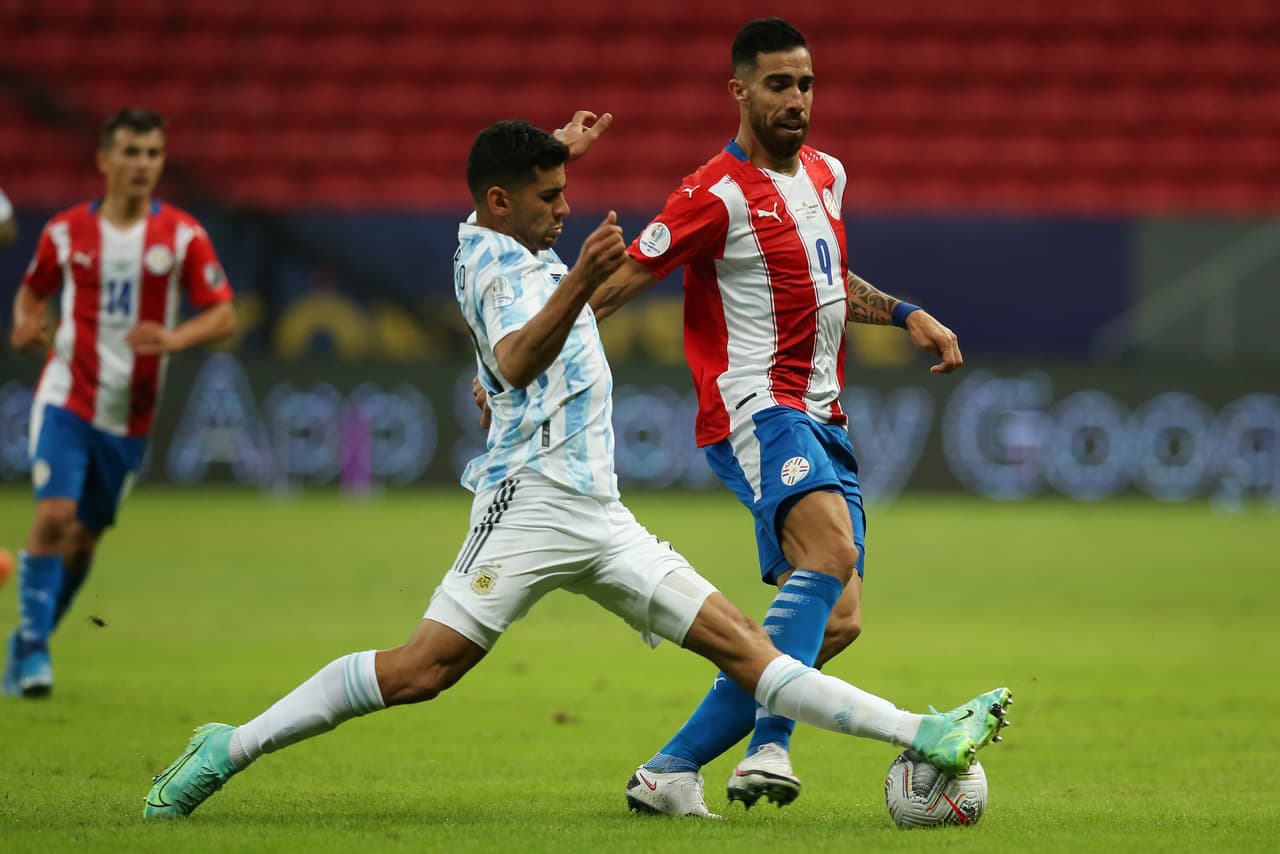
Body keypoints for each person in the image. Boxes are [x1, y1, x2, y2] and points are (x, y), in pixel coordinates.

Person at [142, 117, 1009, 820]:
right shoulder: (505, 270)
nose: (564, 209)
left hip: (600, 515)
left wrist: (553, 154)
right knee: (420, 673)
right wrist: (580, 277)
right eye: (550, 198)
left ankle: (925, 730)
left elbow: (507, 321)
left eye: (564, 194)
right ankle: (231, 746)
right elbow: (518, 355)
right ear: (500, 201)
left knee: (748, 647)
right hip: (530, 509)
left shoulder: (493, 234)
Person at [588, 18, 968, 815]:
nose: (796, 99)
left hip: (823, 413)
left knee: (839, 620)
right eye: (778, 84)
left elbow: (823, 276)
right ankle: (770, 746)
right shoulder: (711, 195)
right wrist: (520, 363)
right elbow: (614, 287)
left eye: (806, 83)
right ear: (740, 91)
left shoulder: (826, 174)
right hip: (756, 408)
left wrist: (904, 313)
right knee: (829, 550)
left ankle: (668, 771)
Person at [2, 108, 237, 698]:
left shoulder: (181, 236)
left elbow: (224, 313)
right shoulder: (65, 232)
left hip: (130, 416)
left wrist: (174, 339)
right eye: (131, 152)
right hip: (67, 395)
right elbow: (31, 296)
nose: (142, 165)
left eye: (153, 153)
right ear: (104, 159)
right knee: (54, 517)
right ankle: (33, 653)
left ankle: (31, 640)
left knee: (83, 540)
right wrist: (24, 327)